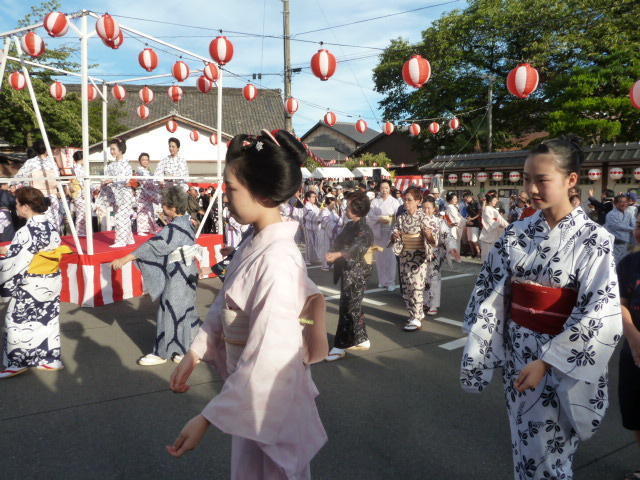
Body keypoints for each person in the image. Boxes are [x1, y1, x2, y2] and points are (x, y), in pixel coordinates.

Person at [166, 130, 328, 479]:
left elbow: (270, 354)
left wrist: (207, 417)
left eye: (231, 188)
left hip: (273, 401)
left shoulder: (277, 260)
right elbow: (224, 302)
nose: (225, 197)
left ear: (263, 191)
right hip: (251, 398)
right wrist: (196, 352)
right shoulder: (255, 242)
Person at [460, 136, 622, 480]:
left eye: (542, 179)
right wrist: (487, 343)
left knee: (550, 458)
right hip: (519, 356)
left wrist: (548, 361)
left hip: (559, 364)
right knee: (525, 447)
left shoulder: (594, 239)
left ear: (571, 180)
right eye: (526, 178)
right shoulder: (517, 232)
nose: (531, 188)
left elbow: (600, 312)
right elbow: (489, 290)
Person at [112, 187, 202, 366]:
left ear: (173, 208)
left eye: (164, 206)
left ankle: (163, 351)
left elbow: (155, 246)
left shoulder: (176, 226)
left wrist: (127, 258)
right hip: (188, 270)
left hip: (179, 273)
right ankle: (185, 349)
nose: (162, 209)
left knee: (169, 309)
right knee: (185, 309)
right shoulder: (187, 222)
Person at [0, 187, 72, 378]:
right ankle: (49, 359)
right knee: (47, 320)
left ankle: (17, 362)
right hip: (52, 280)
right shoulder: (51, 226)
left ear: (25, 207)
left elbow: (14, 265)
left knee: (16, 321)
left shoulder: (26, 231)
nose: (15, 207)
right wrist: (14, 251)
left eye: (17, 204)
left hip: (31, 284)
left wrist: (6, 258)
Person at [325, 191, 374, 361]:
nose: (346, 208)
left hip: (357, 271)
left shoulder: (364, 229)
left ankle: (340, 346)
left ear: (356, 209)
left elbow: (357, 247)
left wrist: (338, 254)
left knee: (347, 307)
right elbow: (339, 240)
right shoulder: (350, 225)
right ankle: (361, 338)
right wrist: (333, 252)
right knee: (353, 306)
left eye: (349, 206)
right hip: (348, 269)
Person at [392, 186, 438, 332]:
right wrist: (395, 235)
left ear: (419, 201)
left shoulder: (424, 217)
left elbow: (432, 240)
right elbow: (394, 231)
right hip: (405, 255)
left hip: (418, 257)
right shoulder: (401, 217)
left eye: (409, 200)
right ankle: (414, 313)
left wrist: (428, 234)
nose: (406, 203)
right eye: (405, 200)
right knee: (406, 287)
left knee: (416, 287)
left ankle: (416, 317)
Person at [616, 219, 640, 480]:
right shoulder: (628, 263)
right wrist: (633, 336)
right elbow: (620, 303)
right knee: (635, 415)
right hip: (633, 353)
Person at [13, 139, 61, 231]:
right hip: (52, 196)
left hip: (36, 197)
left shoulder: (30, 163)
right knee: (53, 221)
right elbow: (57, 177)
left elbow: (18, 177)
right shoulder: (52, 163)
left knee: (37, 219)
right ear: (47, 149)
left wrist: (14, 185)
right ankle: (54, 239)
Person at [423, 196, 459, 316]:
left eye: (429, 208)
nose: (426, 210)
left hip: (435, 253)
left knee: (433, 278)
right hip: (421, 254)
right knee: (423, 278)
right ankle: (425, 301)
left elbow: (447, 237)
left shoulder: (439, 222)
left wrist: (452, 248)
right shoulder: (419, 220)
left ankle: (433, 304)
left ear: (434, 209)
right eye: (424, 208)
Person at [367, 179, 400, 291]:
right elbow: (369, 218)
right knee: (379, 258)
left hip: (390, 232)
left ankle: (390, 281)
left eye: (386, 188)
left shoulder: (395, 202)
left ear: (390, 188)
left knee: (390, 258)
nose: (384, 190)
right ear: (379, 189)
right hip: (378, 232)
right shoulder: (375, 202)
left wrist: (392, 223)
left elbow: (398, 217)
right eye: (382, 188)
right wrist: (379, 219)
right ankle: (382, 280)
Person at [102, 138, 135, 248]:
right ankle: (129, 239)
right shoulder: (111, 165)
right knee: (121, 216)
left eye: (113, 149)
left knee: (121, 217)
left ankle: (121, 241)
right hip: (115, 194)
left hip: (124, 194)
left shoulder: (126, 164)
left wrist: (112, 180)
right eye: (110, 149)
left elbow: (126, 178)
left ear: (120, 150)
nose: (112, 151)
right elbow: (107, 177)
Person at [604, 194, 635, 264]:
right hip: (615, 244)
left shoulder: (629, 213)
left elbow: (634, 224)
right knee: (614, 265)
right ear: (615, 203)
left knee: (625, 265)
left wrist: (636, 228)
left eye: (625, 202)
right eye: (621, 202)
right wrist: (633, 229)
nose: (624, 204)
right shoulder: (611, 214)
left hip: (627, 245)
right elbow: (618, 226)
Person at [135, 152, 160, 237]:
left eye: (146, 160)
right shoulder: (139, 170)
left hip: (148, 193)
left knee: (150, 211)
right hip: (141, 193)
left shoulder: (149, 172)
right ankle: (141, 230)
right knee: (141, 211)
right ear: (139, 161)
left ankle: (151, 228)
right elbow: (145, 181)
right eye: (143, 160)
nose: (145, 161)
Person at [478, 193, 508, 262]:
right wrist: (499, 224)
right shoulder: (487, 209)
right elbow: (490, 221)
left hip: (494, 235)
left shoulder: (493, 210)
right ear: (490, 201)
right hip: (487, 236)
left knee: (493, 256)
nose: (496, 201)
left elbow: (501, 220)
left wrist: (509, 226)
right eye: (494, 200)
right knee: (486, 256)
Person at [318, 195, 341, 272]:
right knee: (325, 248)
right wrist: (335, 226)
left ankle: (331, 263)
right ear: (328, 204)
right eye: (332, 204)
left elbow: (339, 220)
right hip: (325, 232)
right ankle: (325, 265)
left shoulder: (333, 212)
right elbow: (326, 221)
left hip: (332, 232)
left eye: (334, 204)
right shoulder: (324, 211)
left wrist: (341, 223)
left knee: (332, 248)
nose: (333, 206)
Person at [67, 151, 87, 237]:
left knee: (80, 212)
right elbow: (82, 182)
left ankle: (80, 231)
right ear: (82, 159)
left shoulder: (73, 168)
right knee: (82, 213)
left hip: (75, 193)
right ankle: (79, 232)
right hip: (80, 192)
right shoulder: (80, 169)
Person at [303, 190, 321, 265]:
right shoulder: (307, 206)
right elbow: (312, 216)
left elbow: (319, 213)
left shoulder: (315, 206)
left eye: (315, 197)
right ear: (308, 198)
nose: (314, 198)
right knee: (309, 243)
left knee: (315, 243)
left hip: (315, 227)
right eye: (313, 197)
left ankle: (314, 258)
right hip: (308, 227)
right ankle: (307, 259)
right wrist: (320, 218)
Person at [464, 192, 481, 258]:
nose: (466, 200)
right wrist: (468, 219)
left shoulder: (476, 203)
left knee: (474, 240)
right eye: (465, 199)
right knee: (469, 240)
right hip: (469, 224)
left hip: (475, 224)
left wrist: (472, 218)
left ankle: (479, 253)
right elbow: (467, 215)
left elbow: (479, 213)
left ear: (470, 197)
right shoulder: (467, 206)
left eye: (466, 199)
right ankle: (473, 253)